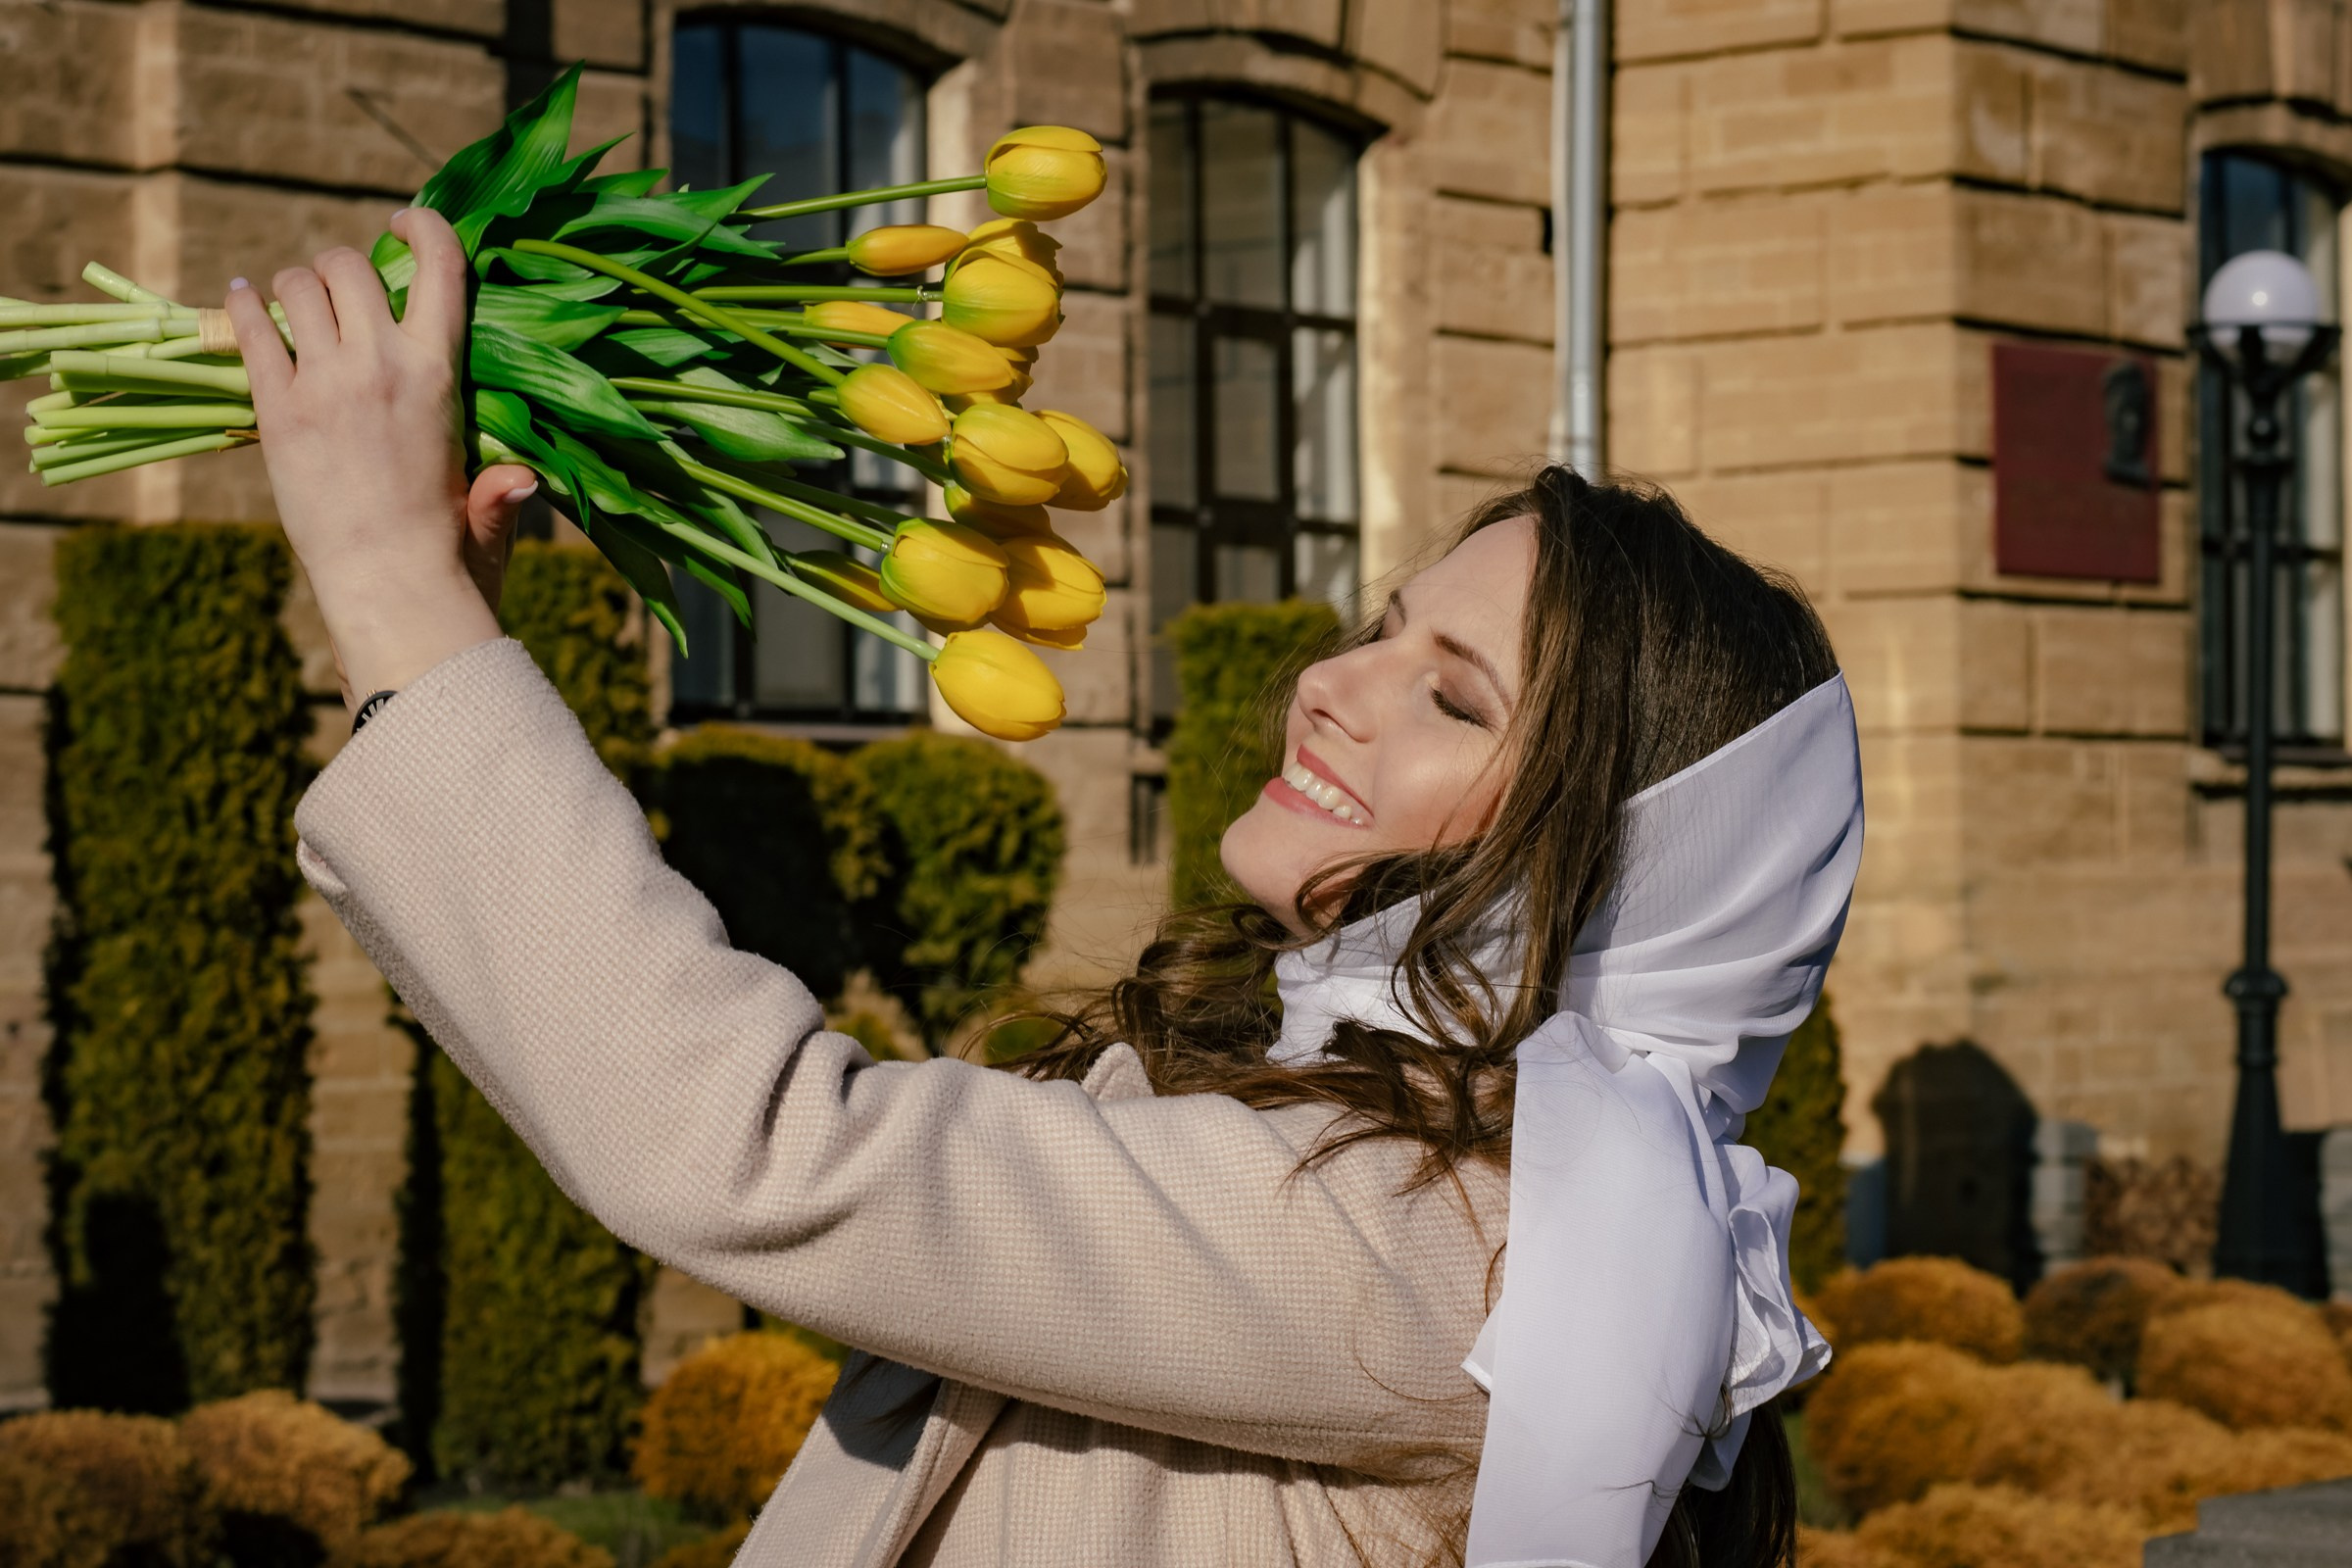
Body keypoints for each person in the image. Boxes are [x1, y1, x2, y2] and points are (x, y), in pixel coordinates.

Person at [230, 209, 1858, 1568]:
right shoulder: (1359, 1118)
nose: (1329, 684)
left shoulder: (1492, 1252)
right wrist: (429, 639)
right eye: (1381, 629)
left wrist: (394, 596)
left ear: (1629, 869)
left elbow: (773, 1153)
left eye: (1454, 696)